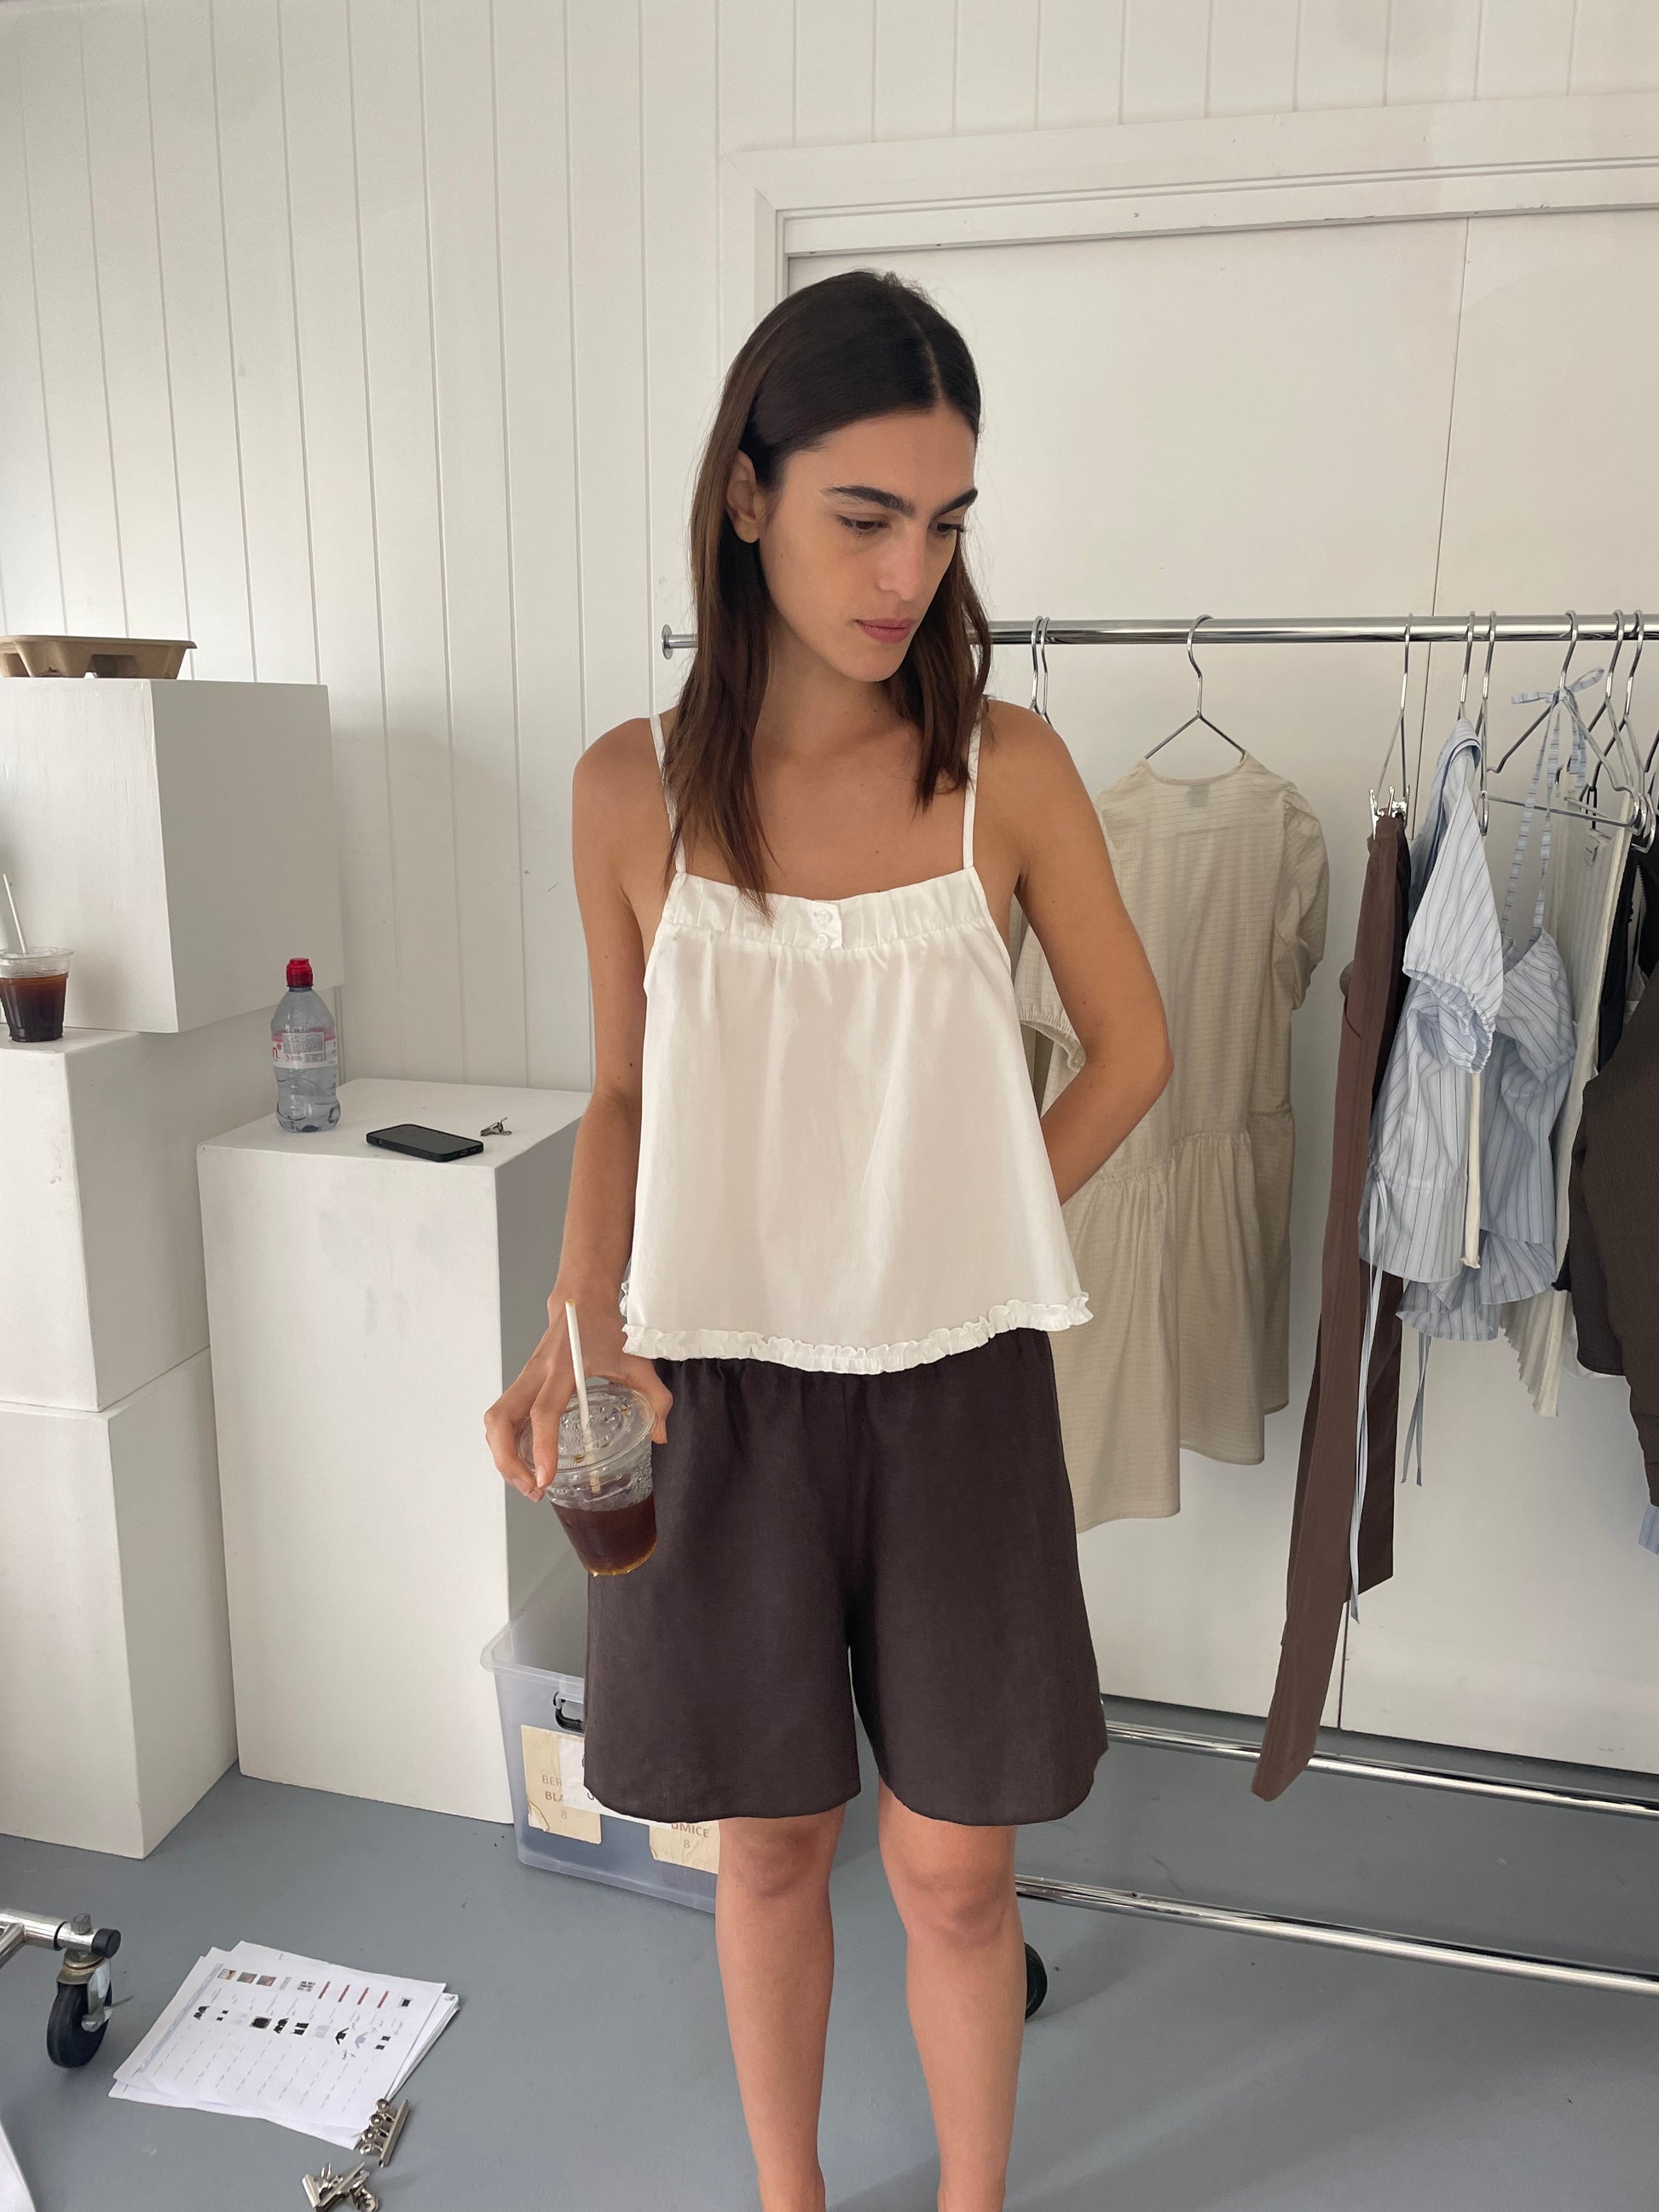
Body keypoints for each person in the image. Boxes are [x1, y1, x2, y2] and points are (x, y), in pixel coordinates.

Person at [485, 269, 1171, 2212]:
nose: (907, 571)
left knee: (954, 1866)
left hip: (956, 1396)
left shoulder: (1004, 775)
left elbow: (1135, 1051)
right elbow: (619, 1097)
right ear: (747, 497)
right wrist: (575, 1322)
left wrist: (965, 1211)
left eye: (944, 522)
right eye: (866, 514)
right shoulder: (631, 789)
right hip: (715, 1388)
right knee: (768, 1844)